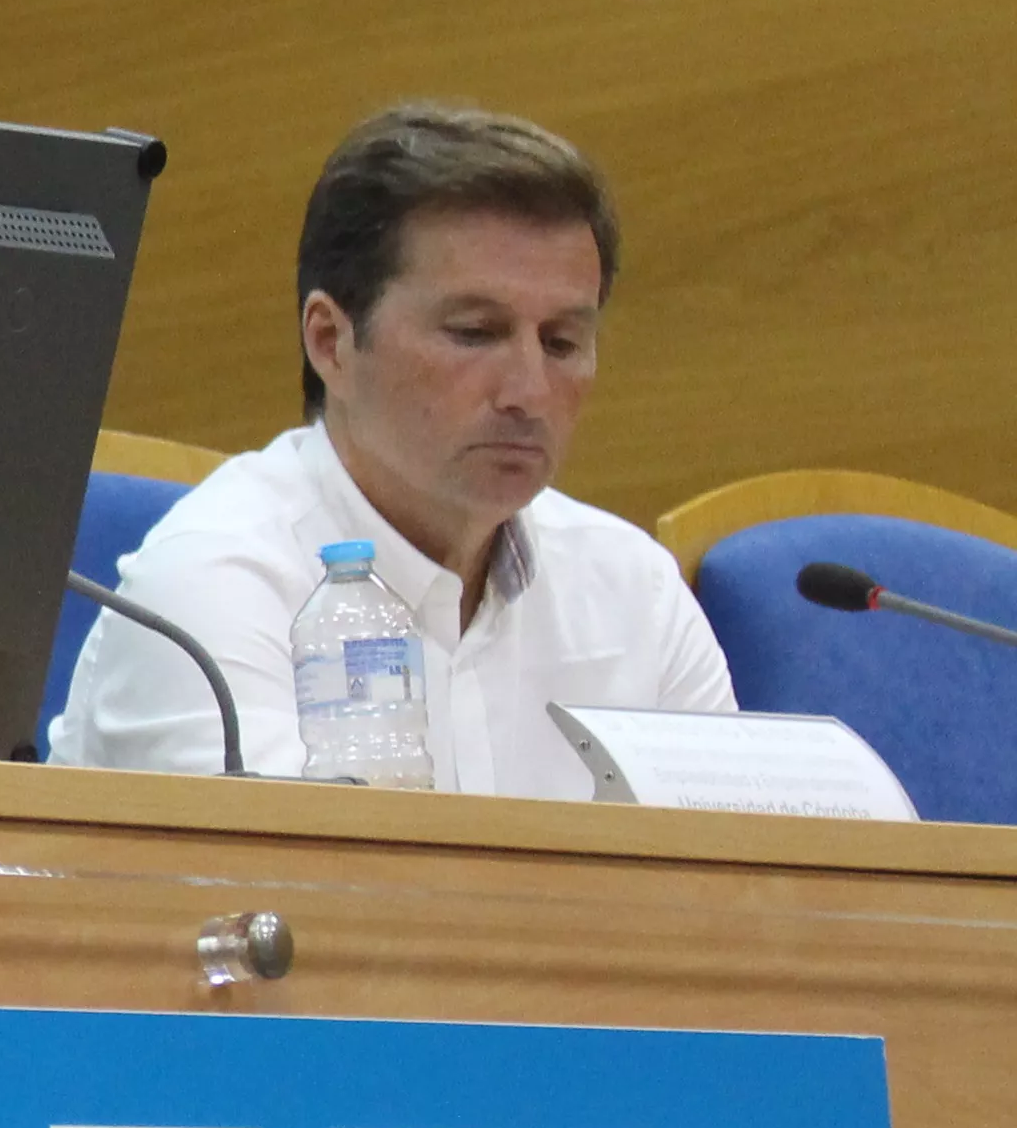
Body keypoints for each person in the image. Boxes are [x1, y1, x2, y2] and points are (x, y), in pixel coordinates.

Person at [53, 101, 729, 790]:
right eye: (474, 332)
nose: (529, 390)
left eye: (562, 343)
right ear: (331, 342)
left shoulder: (634, 591)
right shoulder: (213, 586)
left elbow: (742, 886)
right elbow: (295, 893)